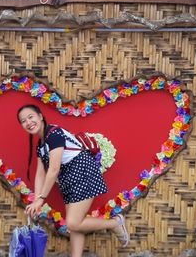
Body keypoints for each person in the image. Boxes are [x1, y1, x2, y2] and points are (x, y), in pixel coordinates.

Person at [17, 104, 129, 256]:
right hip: (68, 180)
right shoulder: (41, 145)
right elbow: (40, 173)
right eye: (23, 121)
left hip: (82, 172)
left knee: (73, 222)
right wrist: (36, 200)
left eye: (31, 117)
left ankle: (115, 223)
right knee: (74, 225)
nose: (28, 122)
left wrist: (41, 199)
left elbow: (54, 169)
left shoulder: (54, 134)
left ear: (40, 116)